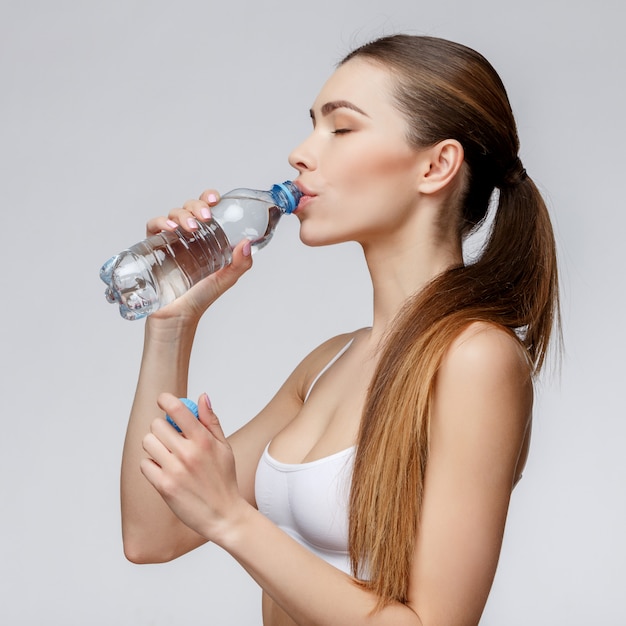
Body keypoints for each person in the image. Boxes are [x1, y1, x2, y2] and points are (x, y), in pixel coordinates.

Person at [120, 34, 560, 626]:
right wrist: (171, 326)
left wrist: (232, 517)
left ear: (435, 165)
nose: (300, 153)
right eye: (311, 125)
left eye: (341, 129)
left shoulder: (474, 359)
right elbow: (153, 536)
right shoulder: (329, 362)